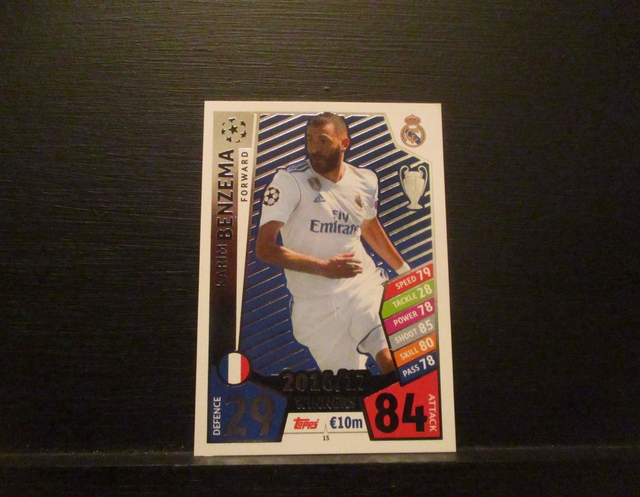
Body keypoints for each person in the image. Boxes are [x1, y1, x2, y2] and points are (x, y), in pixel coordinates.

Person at [256, 112, 411, 374]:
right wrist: (324, 267)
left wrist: (405, 272)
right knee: (349, 382)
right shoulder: (289, 181)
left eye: (323, 141)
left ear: (344, 143)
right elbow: (264, 248)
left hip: (361, 286)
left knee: (387, 356)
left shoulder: (366, 180)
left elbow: (369, 227)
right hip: (315, 307)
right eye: (310, 140)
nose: (314, 149)